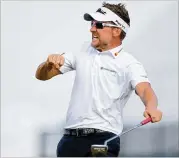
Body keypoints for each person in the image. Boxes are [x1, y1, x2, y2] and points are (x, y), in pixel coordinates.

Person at [35, 2, 162, 157]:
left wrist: (151, 107)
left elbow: (145, 90)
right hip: (69, 141)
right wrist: (48, 65)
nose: (92, 28)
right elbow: (41, 76)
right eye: (92, 23)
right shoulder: (81, 50)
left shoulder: (129, 63)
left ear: (116, 30)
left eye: (98, 24)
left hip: (103, 141)